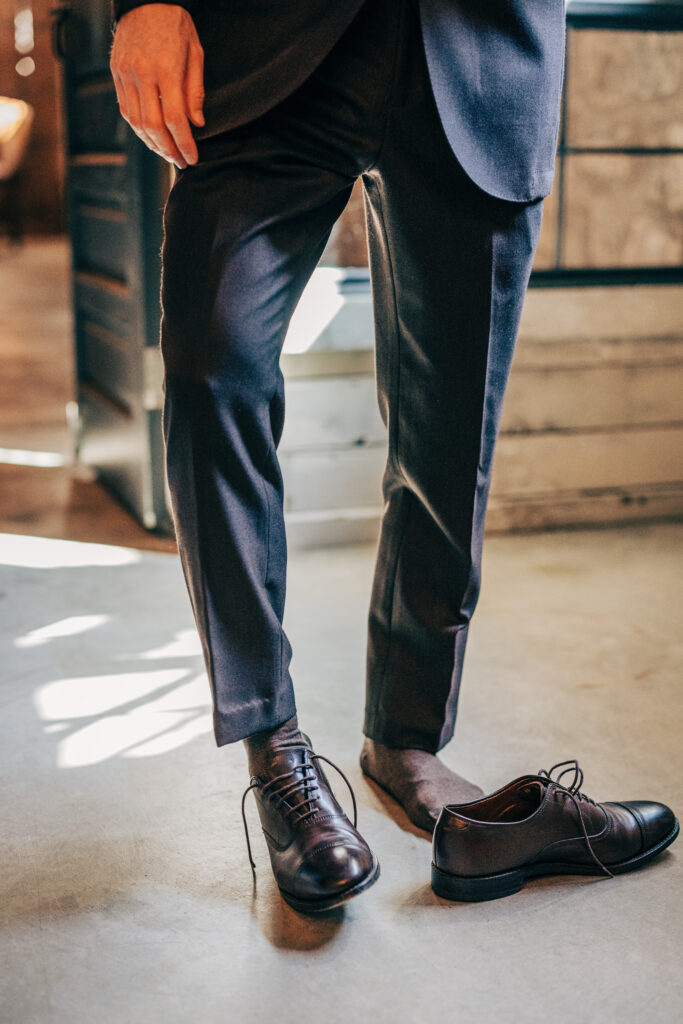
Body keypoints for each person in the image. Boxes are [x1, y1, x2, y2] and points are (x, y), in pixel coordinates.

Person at [110, 0, 673, 912]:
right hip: (261, 49)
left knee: (449, 440)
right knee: (211, 378)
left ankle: (406, 741)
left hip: (483, 59)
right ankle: (277, 749)